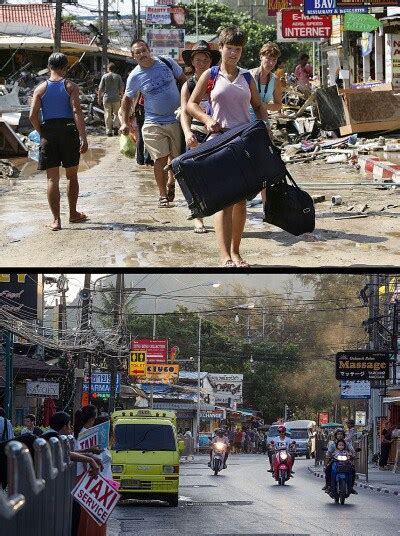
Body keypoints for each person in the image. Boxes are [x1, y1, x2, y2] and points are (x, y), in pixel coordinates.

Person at [187, 26, 270, 268]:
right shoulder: (210, 74)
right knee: (223, 201)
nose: (234, 53)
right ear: (220, 48)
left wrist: (266, 125)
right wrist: (206, 119)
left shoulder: (246, 77)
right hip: (219, 142)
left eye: (238, 49)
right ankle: (224, 257)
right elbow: (192, 104)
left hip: (243, 142)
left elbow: (259, 106)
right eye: (230, 48)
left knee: (241, 201)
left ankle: (236, 253)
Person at [120, 39, 187, 208]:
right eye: (138, 52)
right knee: (160, 158)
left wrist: (186, 106)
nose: (142, 54)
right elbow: (127, 99)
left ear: (149, 50)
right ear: (133, 56)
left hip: (176, 118)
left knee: (177, 158)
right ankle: (162, 195)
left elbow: (184, 81)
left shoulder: (167, 62)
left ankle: (171, 180)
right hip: (153, 121)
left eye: (144, 50)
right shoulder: (134, 76)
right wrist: (124, 121)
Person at [29, 52, 89, 231]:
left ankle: (56, 221)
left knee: (51, 179)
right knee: (72, 175)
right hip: (69, 131)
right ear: (65, 67)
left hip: (49, 131)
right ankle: (73, 214)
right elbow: (77, 112)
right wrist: (83, 137)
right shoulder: (70, 86)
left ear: (49, 67)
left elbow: (32, 115)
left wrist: (42, 132)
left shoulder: (40, 88)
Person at [181, 40, 221, 234]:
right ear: (192, 62)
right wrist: (188, 132)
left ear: (211, 61)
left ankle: (221, 215)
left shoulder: (219, 81)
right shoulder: (188, 85)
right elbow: (184, 113)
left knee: (218, 176)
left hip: (218, 132)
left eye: (206, 58)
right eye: (198, 58)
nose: (202, 61)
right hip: (197, 132)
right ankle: (198, 218)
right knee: (194, 177)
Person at [249, 42, 282, 120]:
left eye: (274, 60)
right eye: (268, 58)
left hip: (262, 120)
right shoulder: (248, 75)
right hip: (245, 120)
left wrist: (265, 106)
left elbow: (278, 105)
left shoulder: (275, 80)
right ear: (261, 56)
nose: (271, 63)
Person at [322, 428, 356, 494]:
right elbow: (328, 452)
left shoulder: (347, 443)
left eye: (341, 434)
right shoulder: (332, 444)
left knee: (353, 470)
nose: (340, 435)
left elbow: (352, 450)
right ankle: (328, 485)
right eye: (338, 434)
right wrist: (328, 455)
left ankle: (351, 487)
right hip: (335, 461)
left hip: (345, 461)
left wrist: (352, 455)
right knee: (328, 469)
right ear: (336, 435)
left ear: (343, 435)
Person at [98, 62, 124, 136]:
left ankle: (109, 131)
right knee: (116, 113)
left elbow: (100, 89)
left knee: (107, 114)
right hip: (116, 98)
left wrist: (99, 98)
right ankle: (116, 127)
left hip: (107, 98)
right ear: (114, 69)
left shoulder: (104, 76)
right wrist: (122, 98)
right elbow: (121, 89)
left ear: (108, 68)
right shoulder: (118, 76)